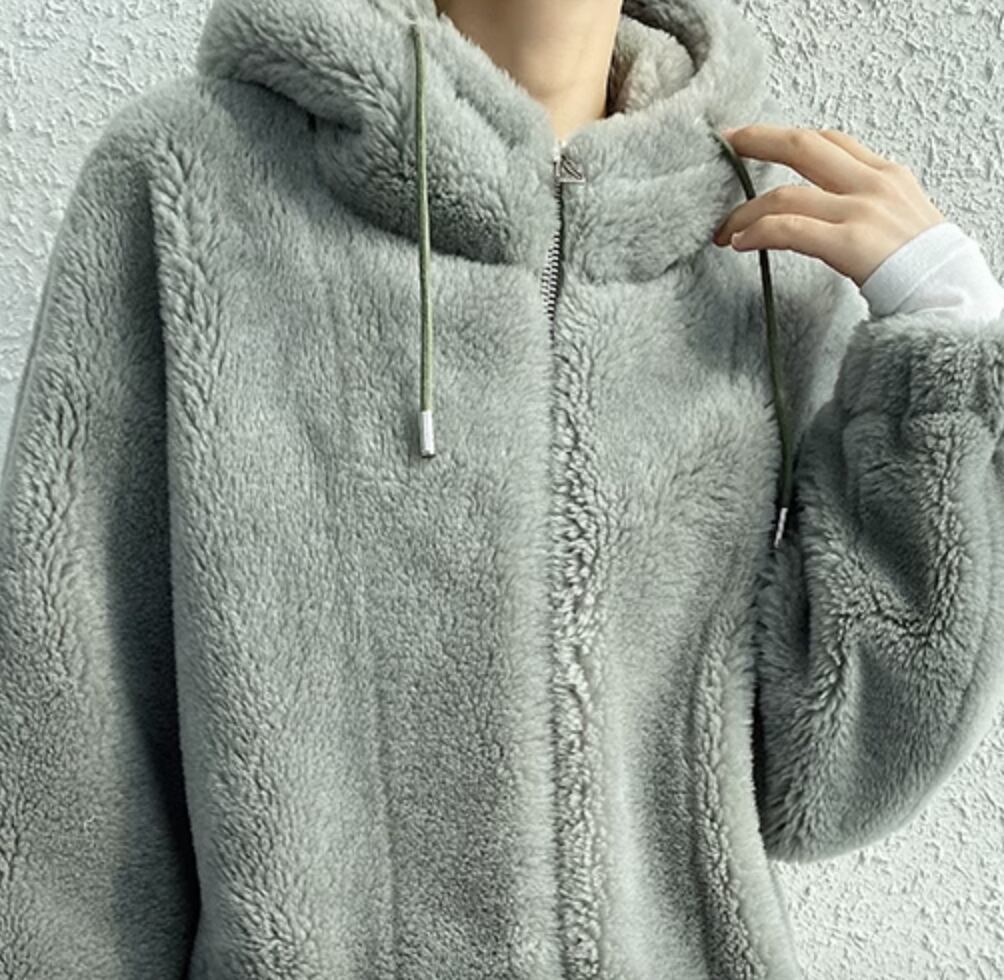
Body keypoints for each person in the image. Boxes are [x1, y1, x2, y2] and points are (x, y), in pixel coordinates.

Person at [2, 0, 1003, 976]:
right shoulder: (194, 179)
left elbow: (820, 779)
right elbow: (66, 746)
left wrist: (940, 341)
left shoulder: (766, 244)